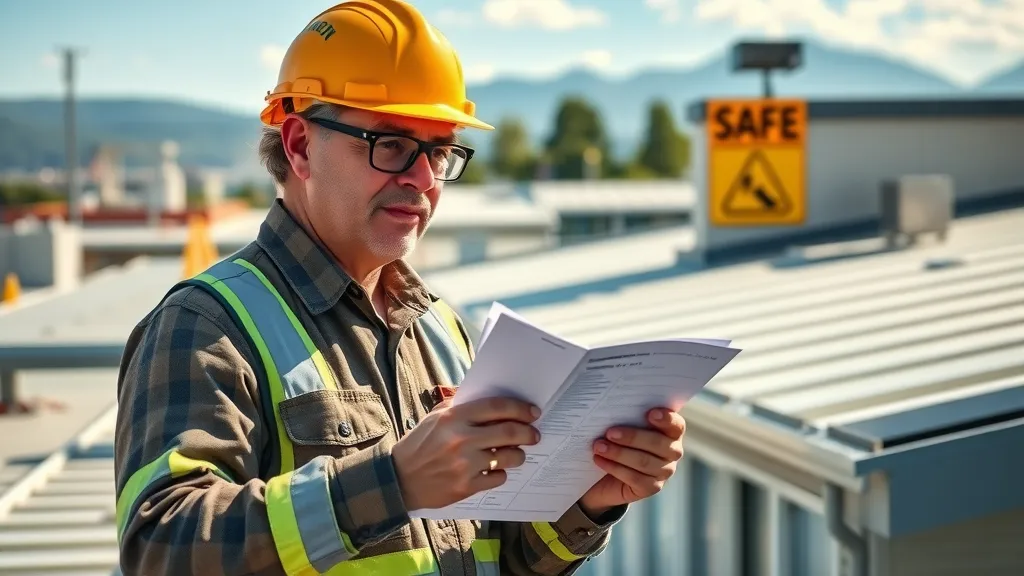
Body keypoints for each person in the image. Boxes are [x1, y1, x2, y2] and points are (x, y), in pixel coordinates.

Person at [113, 1, 688, 574]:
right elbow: (161, 548)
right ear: (299, 146)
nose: (421, 179)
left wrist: (588, 501)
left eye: (439, 152)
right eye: (391, 145)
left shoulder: (441, 329)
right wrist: (393, 481)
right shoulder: (207, 325)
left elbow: (497, 557)